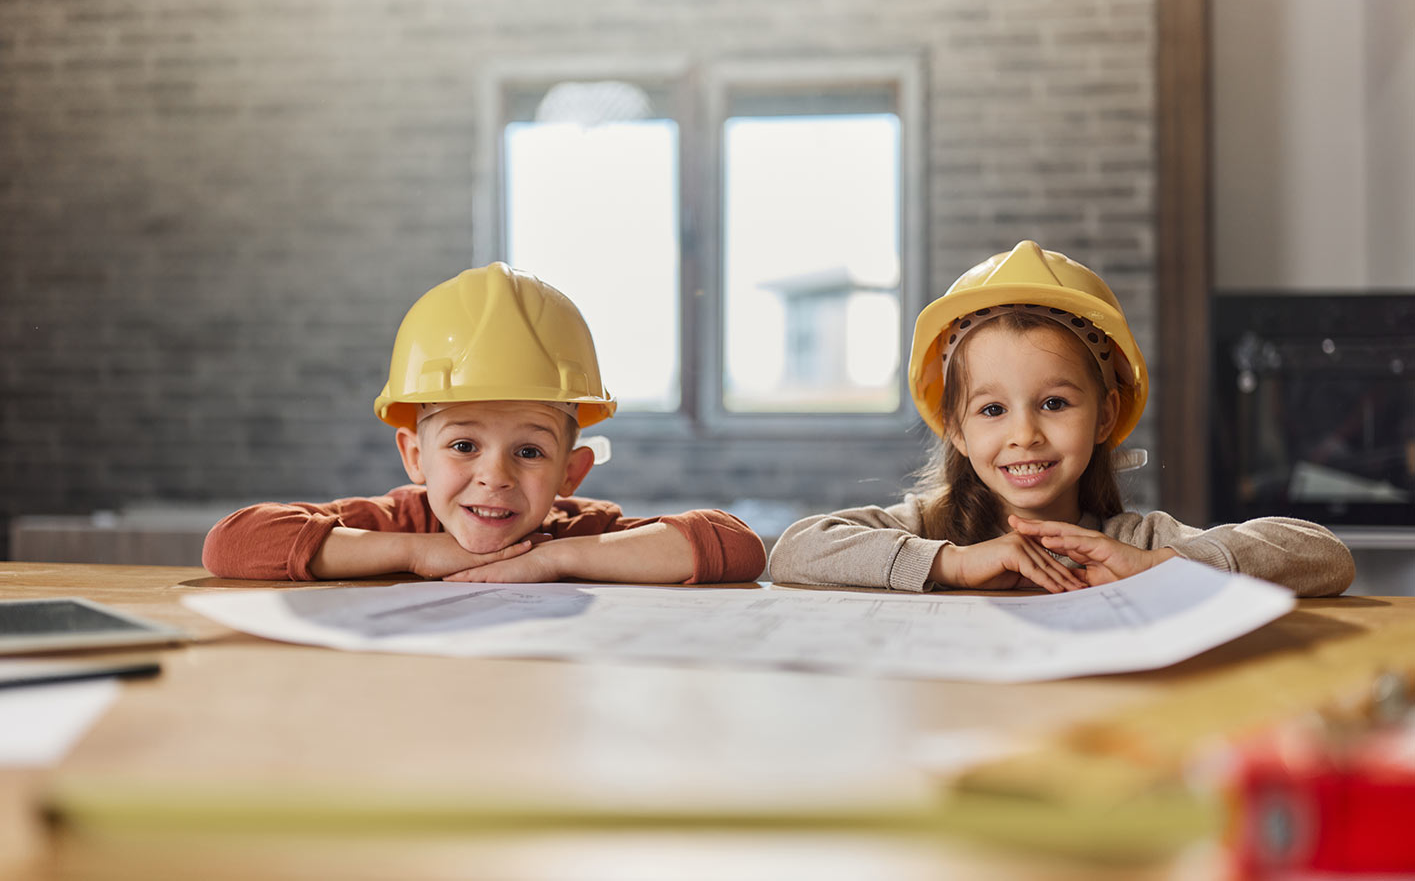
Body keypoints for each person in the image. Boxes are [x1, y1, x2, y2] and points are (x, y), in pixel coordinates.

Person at [768, 240, 1353, 596]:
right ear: (956, 428)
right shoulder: (927, 527)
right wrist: (954, 563)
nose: (1025, 434)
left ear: (1106, 416)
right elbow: (794, 551)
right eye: (992, 409)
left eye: (1054, 403)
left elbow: (1324, 555)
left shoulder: (1130, 542)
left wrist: (1160, 566)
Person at [203, 262, 767, 584]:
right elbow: (231, 544)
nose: (493, 476)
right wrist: (415, 553)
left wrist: (553, 559)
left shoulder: (575, 531)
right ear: (415, 457)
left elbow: (735, 546)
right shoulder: (397, 523)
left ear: (572, 471)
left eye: (528, 452)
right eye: (465, 444)